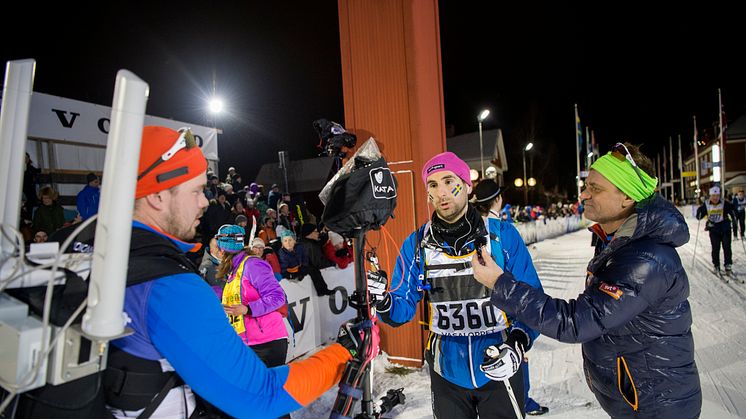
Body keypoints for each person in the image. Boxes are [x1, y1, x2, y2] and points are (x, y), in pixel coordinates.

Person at [103, 126, 378, 418]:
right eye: (196, 191)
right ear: (157, 196)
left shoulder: (101, 255)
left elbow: (271, 297)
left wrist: (243, 307)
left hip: (266, 340)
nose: (204, 201)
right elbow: (262, 396)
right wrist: (347, 351)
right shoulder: (168, 284)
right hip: (248, 348)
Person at [472, 143, 702, 418]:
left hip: (659, 406)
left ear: (627, 197)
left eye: (596, 188)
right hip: (639, 399)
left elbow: (577, 322)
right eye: (586, 186)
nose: (583, 194)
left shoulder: (645, 258)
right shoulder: (620, 242)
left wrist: (500, 283)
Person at [367, 151, 542, 418]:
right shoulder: (416, 244)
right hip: (446, 370)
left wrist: (517, 343)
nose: (442, 193)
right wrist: (383, 301)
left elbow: (532, 299)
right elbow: (402, 307)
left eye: (449, 181)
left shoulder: (501, 236)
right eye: (433, 185)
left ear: (467, 186)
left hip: (498, 362)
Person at [214, 225, 289, 365]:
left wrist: (248, 309)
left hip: (267, 343)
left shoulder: (252, 265)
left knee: (268, 387)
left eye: (217, 248)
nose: (216, 252)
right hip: (247, 344)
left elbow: (277, 297)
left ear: (224, 249)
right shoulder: (233, 271)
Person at [696, 185, 737, 275]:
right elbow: (699, 215)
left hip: (725, 227)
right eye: (713, 196)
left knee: (726, 246)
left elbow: (732, 210)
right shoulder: (706, 204)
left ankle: (728, 264)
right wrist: (699, 213)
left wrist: (734, 213)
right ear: (710, 196)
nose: (715, 198)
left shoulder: (724, 203)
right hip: (714, 229)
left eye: (717, 196)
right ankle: (716, 265)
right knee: (715, 248)